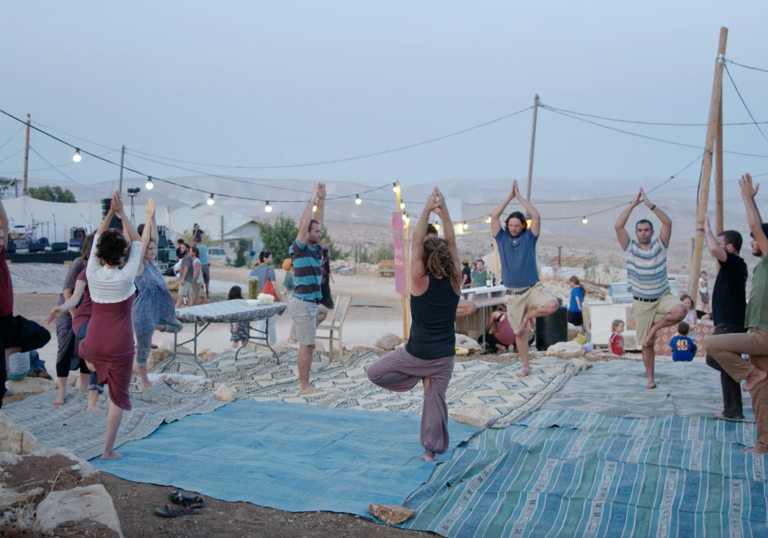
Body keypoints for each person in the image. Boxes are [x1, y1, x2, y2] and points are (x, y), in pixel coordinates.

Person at [368, 187, 460, 461]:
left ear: (425, 257)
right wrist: (444, 214)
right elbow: (453, 243)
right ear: (444, 257)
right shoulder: (456, 280)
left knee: (375, 372)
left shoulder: (419, 281)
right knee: (434, 401)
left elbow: (417, 240)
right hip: (444, 357)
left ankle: (413, 377)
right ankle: (429, 453)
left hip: (416, 354)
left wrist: (426, 209)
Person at [78, 193, 152, 460]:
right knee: (117, 398)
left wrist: (110, 214)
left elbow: (97, 237)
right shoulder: (127, 275)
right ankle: (107, 450)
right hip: (119, 345)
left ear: (98, 254)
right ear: (121, 255)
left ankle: (89, 361)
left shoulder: (92, 273)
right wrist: (122, 215)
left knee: (87, 344)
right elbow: (136, 242)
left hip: (94, 341)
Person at [705, 173, 768, 454]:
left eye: (757, 239)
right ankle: (763, 444)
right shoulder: (760, 267)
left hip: (762, 335)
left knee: (711, 345)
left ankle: (750, 374)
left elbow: (754, 225)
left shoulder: (758, 259)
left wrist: (747, 198)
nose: (753, 241)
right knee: (760, 392)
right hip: (756, 334)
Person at [614, 188, 686, 389]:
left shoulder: (660, 245)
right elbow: (618, 225)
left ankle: (655, 327)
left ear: (651, 232)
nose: (643, 233)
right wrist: (633, 205)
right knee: (647, 343)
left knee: (680, 310)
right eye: (640, 230)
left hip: (662, 295)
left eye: (647, 230)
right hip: (641, 301)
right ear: (636, 233)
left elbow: (667, 223)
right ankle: (650, 378)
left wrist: (650, 205)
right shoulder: (629, 247)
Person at [491, 179, 559, 377]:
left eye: (517, 225)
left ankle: (529, 316)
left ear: (523, 226)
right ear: (507, 226)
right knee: (519, 333)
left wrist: (519, 197)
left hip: (532, 289)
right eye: (510, 225)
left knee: (553, 304)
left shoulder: (529, 238)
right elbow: (494, 216)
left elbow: (536, 216)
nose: (513, 228)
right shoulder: (501, 238)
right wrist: (509, 197)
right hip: (513, 294)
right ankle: (526, 367)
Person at [0, 197, 52, 409]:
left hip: (8, 323)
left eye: (2, 238)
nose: (1, 241)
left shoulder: (1, 255)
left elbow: (3, 220)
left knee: (42, 334)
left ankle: (8, 350)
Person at [132, 211, 184, 391]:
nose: (153, 251)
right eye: (150, 249)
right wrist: (147, 218)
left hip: (158, 314)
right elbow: (145, 241)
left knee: (178, 325)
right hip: (144, 313)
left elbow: (152, 238)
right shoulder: (139, 266)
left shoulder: (153, 265)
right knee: (144, 350)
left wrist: (153, 217)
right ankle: (145, 381)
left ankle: (156, 327)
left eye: (154, 249)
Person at [703, 215, 748, 421]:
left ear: (729, 247)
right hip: (725, 321)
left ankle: (751, 373)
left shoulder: (736, 263)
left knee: (714, 357)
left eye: (721, 244)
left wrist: (707, 229)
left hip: (731, 325)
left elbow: (713, 249)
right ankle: (732, 410)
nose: (716, 249)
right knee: (727, 367)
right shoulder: (730, 268)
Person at [288, 183, 329, 394]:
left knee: (323, 311)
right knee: (308, 348)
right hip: (302, 303)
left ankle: (300, 330)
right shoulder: (301, 248)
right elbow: (306, 224)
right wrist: (312, 199)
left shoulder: (314, 250)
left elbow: (315, 222)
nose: (320, 233)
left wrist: (322, 200)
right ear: (307, 233)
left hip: (311, 304)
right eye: (317, 231)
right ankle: (305, 386)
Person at [48, 267, 105, 410]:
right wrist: (62, 309)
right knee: (67, 350)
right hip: (79, 316)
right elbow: (71, 295)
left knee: (99, 354)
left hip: (101, 319)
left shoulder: (118, 271)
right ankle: (62, 392)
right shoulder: (84, 268)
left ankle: (88, 395)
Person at [53, 233, 94, 406]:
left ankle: (83, 389)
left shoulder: (100, 266)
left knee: (86, 349)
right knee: (65, 349)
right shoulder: (79, 263)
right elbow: (67, 291)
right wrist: (73, 315)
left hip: (87, 313)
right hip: (68, 312)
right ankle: (61, 393)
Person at [250, 250, 278, 345]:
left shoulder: (253, 271)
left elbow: (252, 291)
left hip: (258, 301)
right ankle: (272, 343)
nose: (272, 259)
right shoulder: (270, 271)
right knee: (271, 324)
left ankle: (260, 343)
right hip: (269, 300)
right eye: (270, 257)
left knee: (260, 323)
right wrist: (281, 300)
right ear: (264, 258)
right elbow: (274, 287)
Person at [175, 243, 194, 308]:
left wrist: (183, 278)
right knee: (189, 295)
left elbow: (186, 267)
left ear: (187, 249)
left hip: (186, 279)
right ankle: (190, 310)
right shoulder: (187, 257)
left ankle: (175, 311)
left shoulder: (187, 257)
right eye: (181, 248)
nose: (181, 249)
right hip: (188, 279)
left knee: (180, 296)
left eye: (183, 248)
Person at [193, 236, 209, 301]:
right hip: (206, 264)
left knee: (200, 279)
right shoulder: (205, 247)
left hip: (199, 264)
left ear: (195, 242)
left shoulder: (196, 248)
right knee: (207, 279)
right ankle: (207, 291)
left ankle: (202, 291)